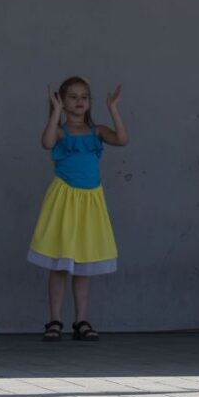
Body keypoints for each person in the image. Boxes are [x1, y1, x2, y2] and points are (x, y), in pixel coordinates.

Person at [29, 77, 129, 342]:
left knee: (84, 264)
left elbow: (122, 139)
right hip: (65, 200)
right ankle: (54, 320)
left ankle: (81, 320)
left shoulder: (97, 131)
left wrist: (113, 108)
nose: (79, 101)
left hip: (90, 202)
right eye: (72, 97)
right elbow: (47, 143)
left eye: (84, 96)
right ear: (62, 101)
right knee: (60, 262)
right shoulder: (62, 132)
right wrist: (55, 112)